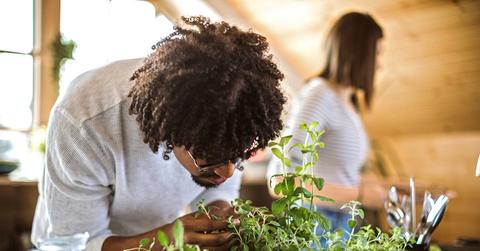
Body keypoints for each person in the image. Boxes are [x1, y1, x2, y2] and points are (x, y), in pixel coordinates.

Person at [32, 16, 286, 251]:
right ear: (169, 131)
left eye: (240, 156)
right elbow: (74, 244)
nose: (229, 171)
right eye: (211, 160)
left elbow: (217, 191)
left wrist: (219, 215)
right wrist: (173, 236)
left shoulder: (229, 119)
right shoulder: (85, 121)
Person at [267, 12, 384, 233]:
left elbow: (338, 174)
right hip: (316, 228)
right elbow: (280, 181)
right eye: (376, 54)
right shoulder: (320, 95)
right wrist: (360, 196)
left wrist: (398, 187)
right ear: (358, 52)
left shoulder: (347, 102)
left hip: (340, 227)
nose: (379, 65)